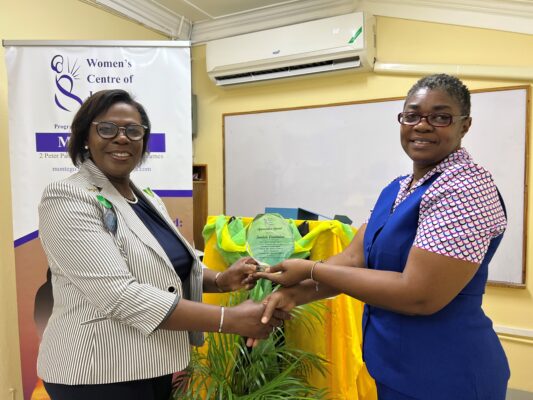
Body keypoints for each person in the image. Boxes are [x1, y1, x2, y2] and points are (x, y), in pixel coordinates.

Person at [256, 74, 510, 399]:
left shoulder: (465, 189)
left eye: (440, 117)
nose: (422, 125)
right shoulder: (398, 187)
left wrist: (310, 270)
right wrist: (293, 295)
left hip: (448, 374)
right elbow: (353, 259)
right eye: (413, 115)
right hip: (394, 365)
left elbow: (419, 295)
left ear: (465, 125)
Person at [37, 89, 286, 400]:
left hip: (150, 362)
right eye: (107, 128)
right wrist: (229, 320)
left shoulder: (145, 198)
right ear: (85, 137)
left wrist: (221, 280)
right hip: (97, 371)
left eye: (133, 130)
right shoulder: (68, 197)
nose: (122, 138)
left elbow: (168, 263)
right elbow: (119, 294)